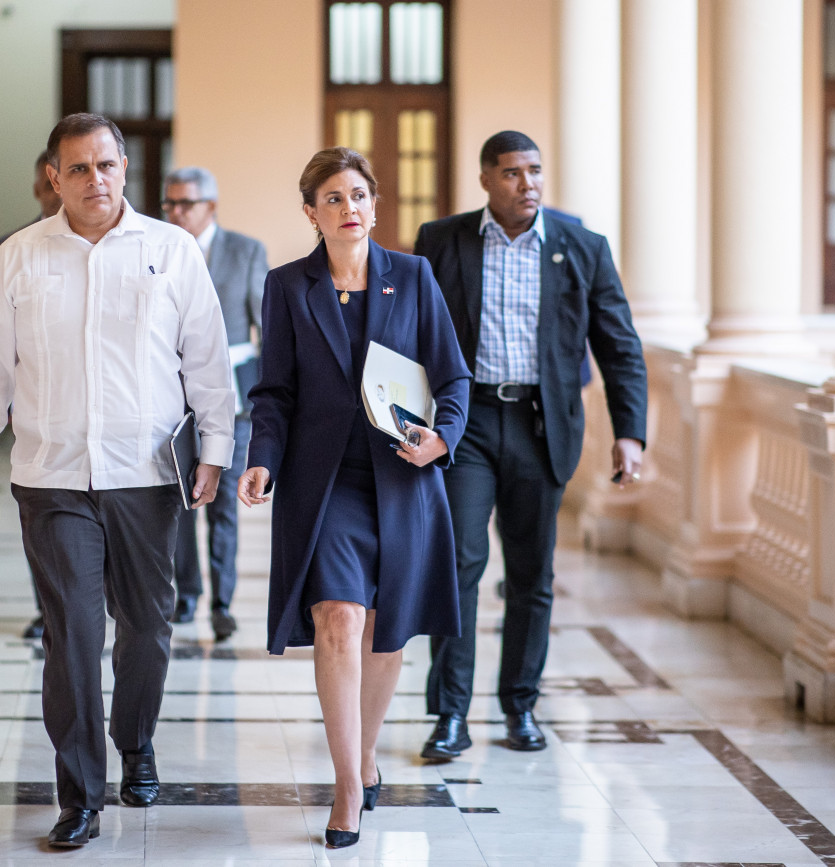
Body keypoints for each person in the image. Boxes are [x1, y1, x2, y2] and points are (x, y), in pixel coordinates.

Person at [0, 113, 235, 849]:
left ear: (125, 169)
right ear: (55, 177)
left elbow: (207, 359)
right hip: (51, 477)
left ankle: (135, 742)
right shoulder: (20, 256)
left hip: (146, 474)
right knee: (73, 636)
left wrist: (215, 448)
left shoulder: (171, 251)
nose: (94, 180)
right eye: (78, 168)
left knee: (147, 624)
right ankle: (79, 794)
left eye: (106, 165)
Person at [239, 147, 470, 849]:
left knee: (383, 629)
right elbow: (274, 392)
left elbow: (453, 378)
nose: (350, 208)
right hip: (324, 483)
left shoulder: (415, 276)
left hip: (402, 477)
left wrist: (442, 439)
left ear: (375, 204)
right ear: (311, 212)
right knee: (338, 617)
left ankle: (366, 751)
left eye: (359, 195)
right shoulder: (288, 286)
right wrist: (261, 459)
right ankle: (346, 784)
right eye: (333, 198)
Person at [413, 130, 647, 759]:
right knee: (458, 566)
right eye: (513, 173)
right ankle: (451, 714)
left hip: (542, 427)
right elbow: (410, 336)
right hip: (466, 423)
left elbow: (619, 345)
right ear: (486, 179)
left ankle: (520, 706)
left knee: (531, 575)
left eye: (536, 171)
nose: (528, 184)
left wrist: (629, 432)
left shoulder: (581, 245)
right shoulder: (443, 241)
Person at [162, 166, 268, 641]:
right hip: (174, 399)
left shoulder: (245, 251)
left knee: (224, 502)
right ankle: (186, 595)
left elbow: (266, 328)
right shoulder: (162, 249)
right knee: (183, 500)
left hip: (234, 398)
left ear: (211, 206)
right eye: (170, 204)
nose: (176, 212)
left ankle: (223, 603)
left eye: (186, 203)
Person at [0, 148, 65, 642]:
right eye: (51, 182)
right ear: (42, 187)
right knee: (42, 523)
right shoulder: (12, 248)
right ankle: (47, 610)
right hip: (37, 411)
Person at [0, 149, 64, 256]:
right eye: (50, 186)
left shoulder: (90, 240)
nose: (59, 195)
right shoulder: (9, 248)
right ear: (37, 191)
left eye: (64, 185)